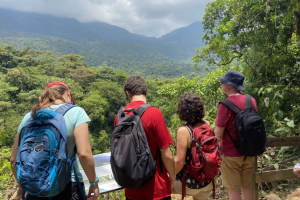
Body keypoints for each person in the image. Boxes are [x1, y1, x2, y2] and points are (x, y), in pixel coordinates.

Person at [10, 81, 100, 200]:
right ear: (68, 94)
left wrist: (22, 185)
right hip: (67, 185)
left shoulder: (29, 116)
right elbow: (84, 154)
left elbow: (13, 159)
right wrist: (93, 183)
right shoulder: (76, 112)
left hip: (34, 186)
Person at [114, 75, 175, 200]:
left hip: (132, 187)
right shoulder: (154, 113)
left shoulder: (120, 116)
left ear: (127, 93)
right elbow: (167, 154)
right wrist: (173, 177)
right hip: (157, 189)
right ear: (146, 92)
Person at [214, 70, 258, 200]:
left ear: (230, 85)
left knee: (233, 190)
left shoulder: (225, 105)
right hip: (249, 152)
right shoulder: (251, 100)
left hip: (231, 155)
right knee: (247, 187)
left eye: (222, 82)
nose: (221, 84)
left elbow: (217, 135)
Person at [172, 92, 213, 200]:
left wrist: (168, 177)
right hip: (207, 181)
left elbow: (179, 162)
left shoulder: (183, 131)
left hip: (189, 183)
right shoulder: (206, 125)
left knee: (160, 187)